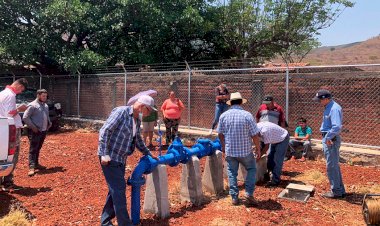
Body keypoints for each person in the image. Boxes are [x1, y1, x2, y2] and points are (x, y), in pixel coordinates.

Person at [98, 95, 159, 226]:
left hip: (120, 158)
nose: (149, 114)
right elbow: (105, 131)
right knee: (119, 190)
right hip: (110, 158)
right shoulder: (121, 112)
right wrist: (104, 154)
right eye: (149, 111)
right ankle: (125, 223)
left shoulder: (136, 120)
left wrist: (148, 153)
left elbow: (137, 140)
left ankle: (105, 221)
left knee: (115, 189)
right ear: (143, 107)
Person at [217, 92, 261, 206]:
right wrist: (258, 148)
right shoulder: (247, 115)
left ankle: (234, 198)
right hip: (245, 151)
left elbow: (220, 134)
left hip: (230, 151)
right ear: (241, 102)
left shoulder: (223, 116)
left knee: (232, 173)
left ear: (230, 103)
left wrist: (223, 147)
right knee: (251, 169)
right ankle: (248, 193)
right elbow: (255, 135)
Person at [313, 89, 346, 199]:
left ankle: (336, 191)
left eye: (320, 100)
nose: (319, 102)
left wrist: (328, 137)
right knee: (334, 165)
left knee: (331, 166)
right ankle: (340, 190)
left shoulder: (334, 108)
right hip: (329, 138)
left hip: (331, 139)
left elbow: (336, 126)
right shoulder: (329, 107)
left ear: (326, 99)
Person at [0, 78, 28, 191]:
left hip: (3, 128)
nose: (20, 92)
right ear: (19, 86)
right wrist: (19, 109)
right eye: (21, 90)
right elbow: (9, 114)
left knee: (3, 155)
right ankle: (8, 183)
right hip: (11, 128)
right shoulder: (11, 95)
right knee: (13, 155)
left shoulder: (2, 93)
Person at [23, 89, 51, 176]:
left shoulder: (45, 105)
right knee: (33, 149)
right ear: (38, 95)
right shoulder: (32, 105)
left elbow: (46, 115)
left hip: (43, 130)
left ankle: (36, 164)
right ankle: (31, 167)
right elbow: (25, 117)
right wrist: (33, 127)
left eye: (46, 96)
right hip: (34, 131)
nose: (45, 98)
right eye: (43, 96)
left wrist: (49, 123)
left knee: (38, 148)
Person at [257, 121, 289, 187]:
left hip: (282, 138)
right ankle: (269, 174)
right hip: (275, 138)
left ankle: (275, 181)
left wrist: (259, 156)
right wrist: (257, 150)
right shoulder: (255, 128)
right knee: (270, 157)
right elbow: (258, 141)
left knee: (277, 160)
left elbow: (266, 147)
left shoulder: (265, 131)